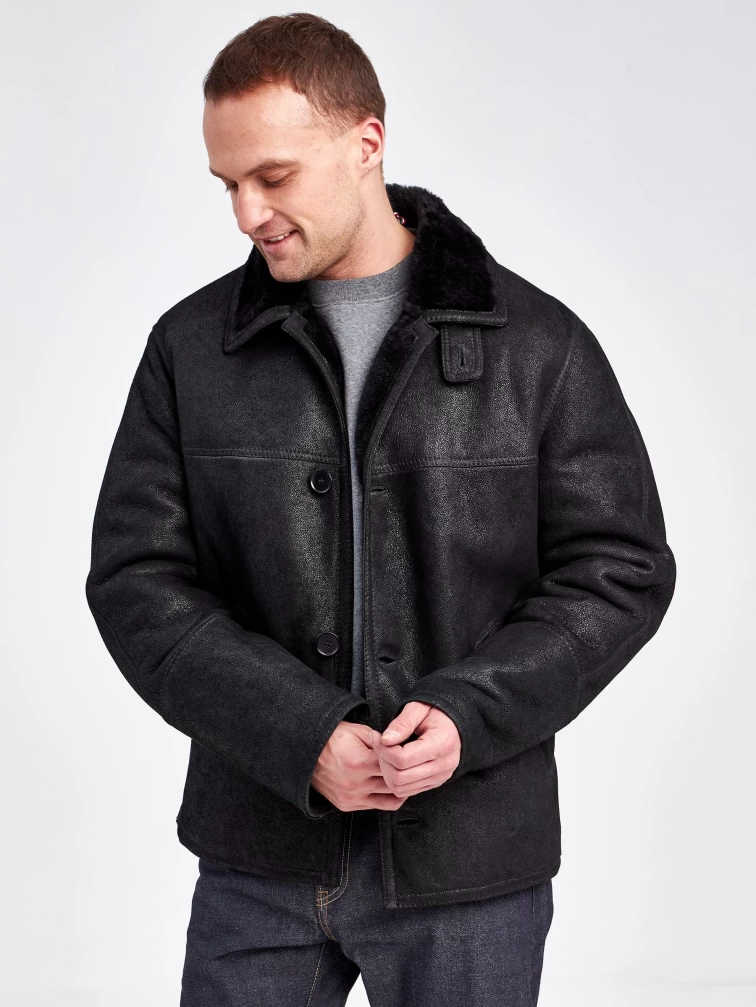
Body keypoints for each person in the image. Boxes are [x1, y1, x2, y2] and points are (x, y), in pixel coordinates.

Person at [84, 12, 676, 1006]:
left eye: (273, 176)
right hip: (259, 854)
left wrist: (469, 713)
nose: (247, 213)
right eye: (228, 184)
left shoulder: (538, 346)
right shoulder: (190, 350)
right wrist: (298, 730)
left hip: (471, 863)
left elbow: (619, 568)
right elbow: (136, 579)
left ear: (367, 142)